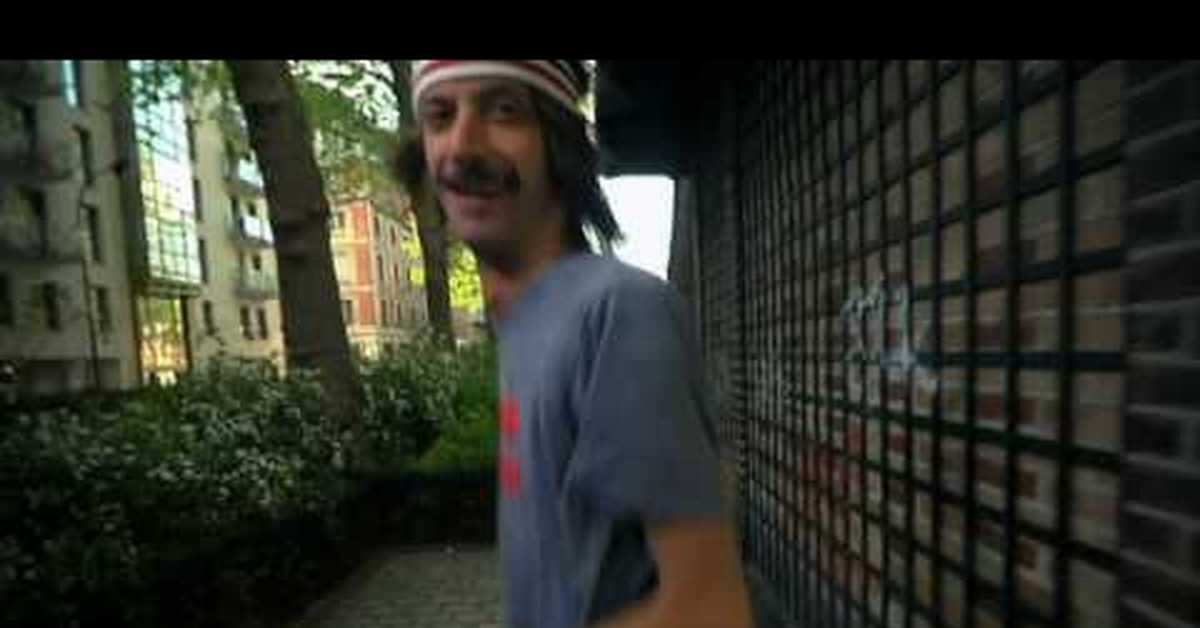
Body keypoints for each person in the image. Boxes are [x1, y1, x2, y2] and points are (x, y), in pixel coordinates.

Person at [408, 60, 753, 628]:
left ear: (559, 144)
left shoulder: (619, 313)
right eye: (440, 117)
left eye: (504, 111)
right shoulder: (523, 323)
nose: (462, 146)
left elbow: (709, 610)